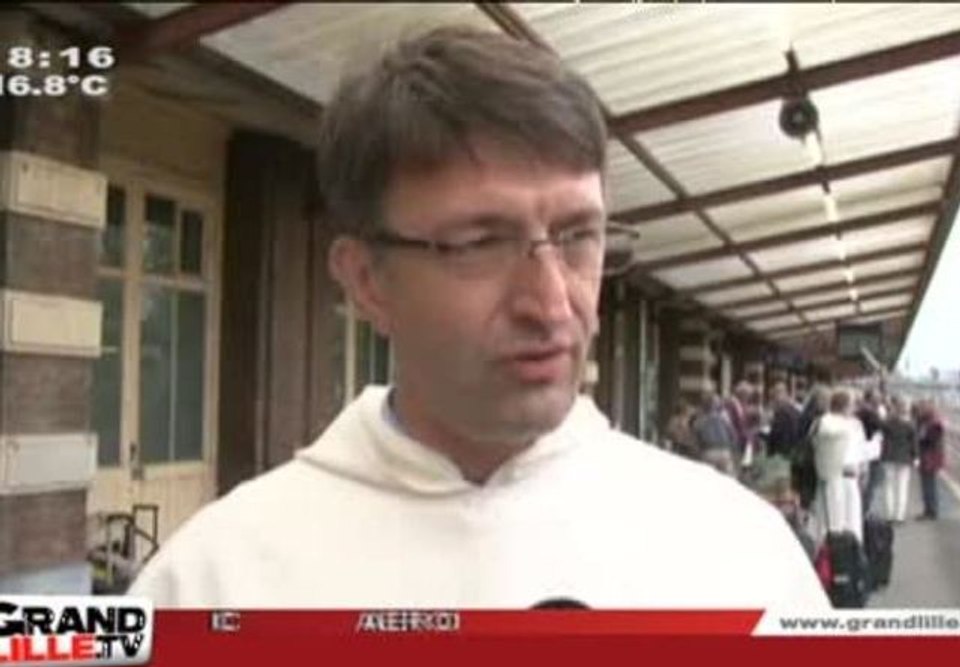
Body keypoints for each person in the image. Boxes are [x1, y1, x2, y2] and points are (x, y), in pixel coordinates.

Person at [128, 27, 827, 609]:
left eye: (579, 235)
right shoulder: (212, 586)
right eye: (480, 244)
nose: (552, 303)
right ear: (367, 280)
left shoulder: (736, 556)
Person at [813, 389, 866, 544]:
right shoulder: (826, 421)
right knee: (833, 522)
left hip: (851, 478)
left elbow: (860, 450)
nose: (854, 408)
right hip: (834, 477)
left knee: (852, 523)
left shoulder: (855, 424)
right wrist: (848, 428)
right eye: (852, 404)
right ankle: (830, 559)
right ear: (845, 405)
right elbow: (827, 432)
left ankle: (852, 556)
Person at [879, 395, 916, 524]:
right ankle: (899, 516)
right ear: (907, 408)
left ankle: (889, 515)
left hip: (888, 457)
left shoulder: (888, 422)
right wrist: (915, 457)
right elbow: (913, 443)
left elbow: (881, 435)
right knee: (902, 487)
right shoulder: (910, 424)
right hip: (904, 458)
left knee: (889, 486)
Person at [692, 391, 740, 476]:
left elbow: (696, 442)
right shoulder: (724, 418)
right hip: (725, 451)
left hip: (708, 452)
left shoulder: (699, 421)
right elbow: (733, 435)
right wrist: (734, 451)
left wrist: (697, 455)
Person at [915, 399, 945, 521]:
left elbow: (928, 439)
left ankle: (931, 510)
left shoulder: (933, 424)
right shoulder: (927, 422)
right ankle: (929, 509)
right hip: (928, 455)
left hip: (929, 456)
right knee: (927, 483)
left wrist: (920, 437)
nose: (919, 410)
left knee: (928, 483)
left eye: (922, 408)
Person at [767, 381, 801, 459]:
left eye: (775, 394)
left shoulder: (781, 411)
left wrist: (769, 453)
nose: (775, 398)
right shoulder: (795, 409)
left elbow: (774, 434)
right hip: (794, 450)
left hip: (782, 452)